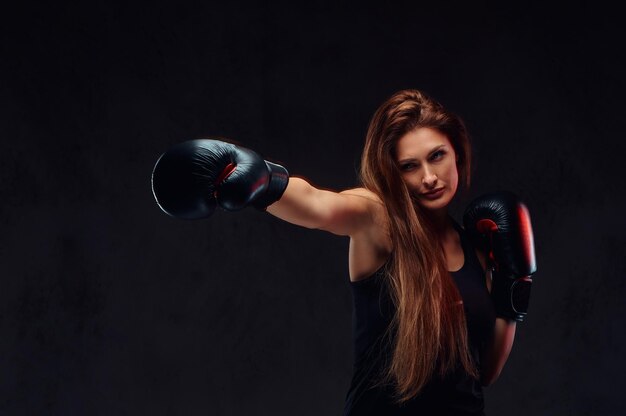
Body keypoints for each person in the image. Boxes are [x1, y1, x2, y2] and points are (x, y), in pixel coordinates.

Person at [151, 89, 537, 415]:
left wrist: (513, 289)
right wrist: (262, 180)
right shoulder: (378, 217)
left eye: (437, 156)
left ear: (457, 153)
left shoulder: (479, 245)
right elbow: (320, 206)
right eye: (409, 166)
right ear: (392, 173)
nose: (429, 177)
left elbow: (483, 374)